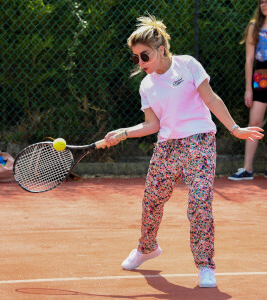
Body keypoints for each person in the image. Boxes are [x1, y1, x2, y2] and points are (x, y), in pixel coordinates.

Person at [103, 14, 264, 288]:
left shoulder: (187, 65)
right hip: (167, 146)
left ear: (160, 50)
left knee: (200, 202)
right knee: (152, 201)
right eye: (135, 59)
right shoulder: (146, 85)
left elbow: (211, 98)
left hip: (200, 142)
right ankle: (146, 248)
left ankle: (205, 266)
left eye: (144, 56)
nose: (140, 63)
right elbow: (152, 124)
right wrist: (124, 132)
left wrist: (235, 128)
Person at [229, 0, 267, 180]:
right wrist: (248, 89)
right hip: (261, 77)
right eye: (261, 2)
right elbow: (249, 60)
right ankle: (247, 169)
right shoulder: (255, 26)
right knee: (255, 121)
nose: (264, 5)